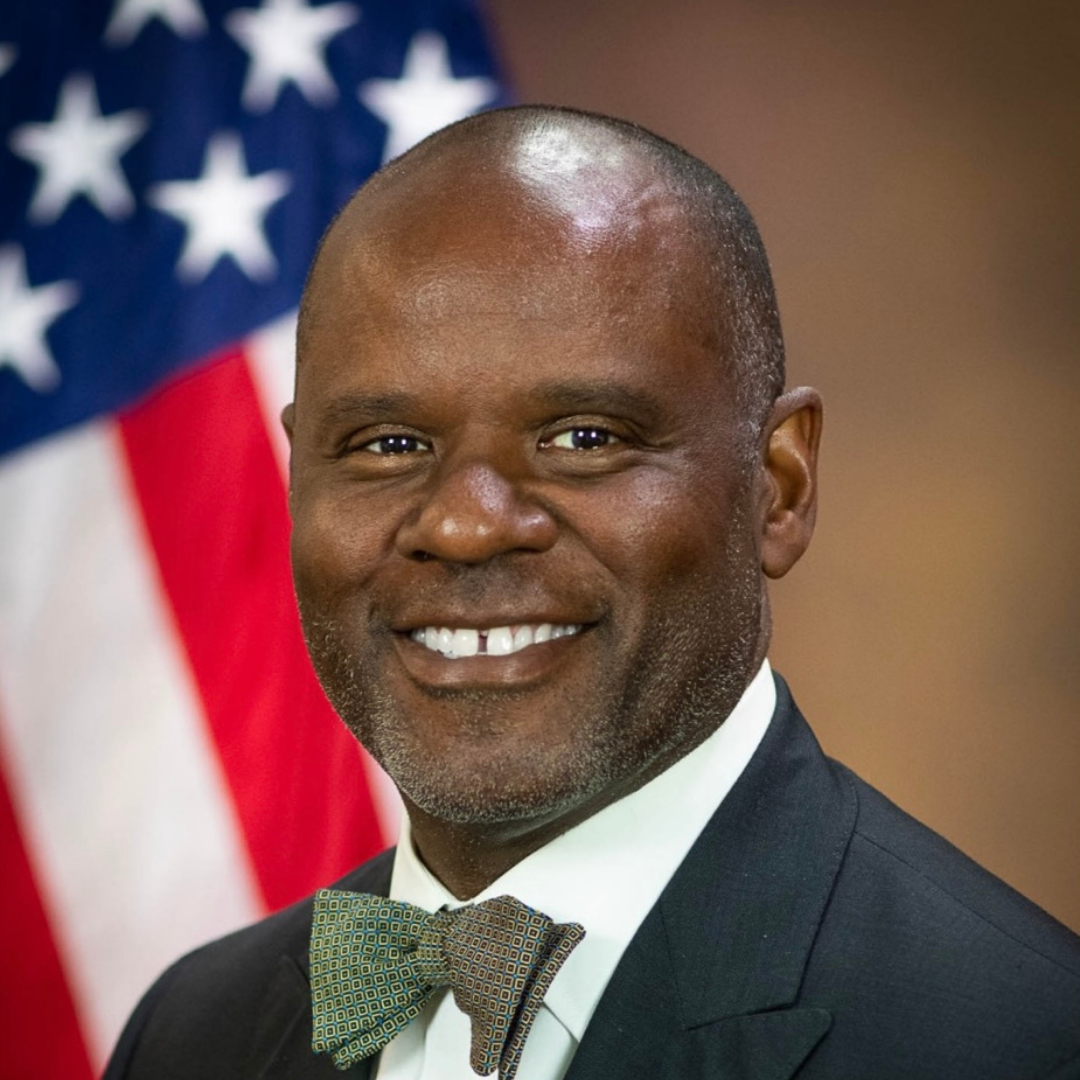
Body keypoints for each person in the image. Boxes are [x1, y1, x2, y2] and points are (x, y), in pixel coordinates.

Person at [104, 105, 1080, 1080]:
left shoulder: (1019, 1041)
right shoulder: (191, 1036)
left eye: (584, 437)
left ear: (778, 487)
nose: (466, 525)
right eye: (388, 446)